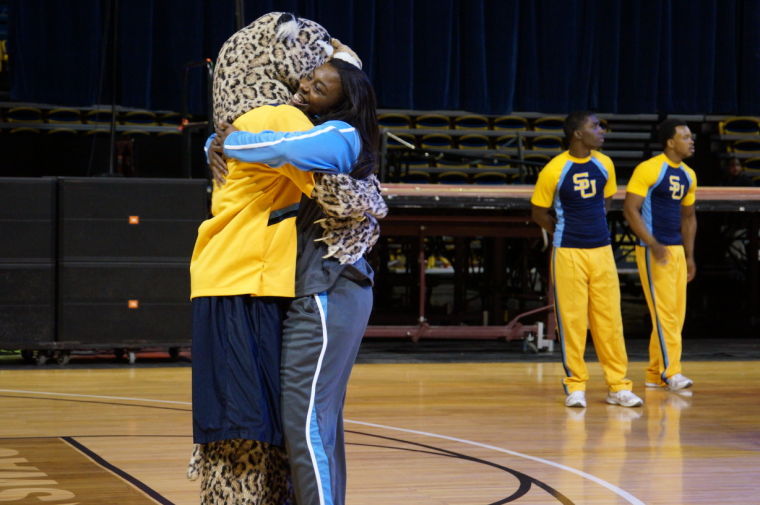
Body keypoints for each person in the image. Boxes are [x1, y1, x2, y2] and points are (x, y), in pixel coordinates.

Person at [212, 58, 385, 505]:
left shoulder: (340, 135)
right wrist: (217, 141)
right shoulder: (313, 129)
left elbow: (282, 148)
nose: (306, 85)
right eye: (308, 77)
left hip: (331, 289)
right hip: (321, 290)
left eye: (320, 86)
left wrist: (230, 141)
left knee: (306, 421)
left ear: (343, 101)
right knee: (320, 421)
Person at [531, 110, 643, 409]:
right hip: (567, 252)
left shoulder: (604, 163)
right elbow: (538, 212)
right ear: (578, 134)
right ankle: (575, 385)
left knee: (610, 321)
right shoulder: (554, 169)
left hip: (602, 251)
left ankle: (618, 386)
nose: (601, 130)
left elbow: (606, 200)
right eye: (595, 126)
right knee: (573, 321)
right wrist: (563, 231)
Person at [623, 118, 697, 392]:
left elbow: (689, 218)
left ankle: (655, 373)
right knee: (665, 314)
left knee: (675, 315)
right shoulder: (649, 169)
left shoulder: (689, 174)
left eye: (691, 137)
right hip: (654, 250)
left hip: (676, 249)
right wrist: (651, 243)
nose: (691, 141)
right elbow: (630, 209)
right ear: (670, 142)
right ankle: (671, 371)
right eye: (686, 136)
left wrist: (689, 255)